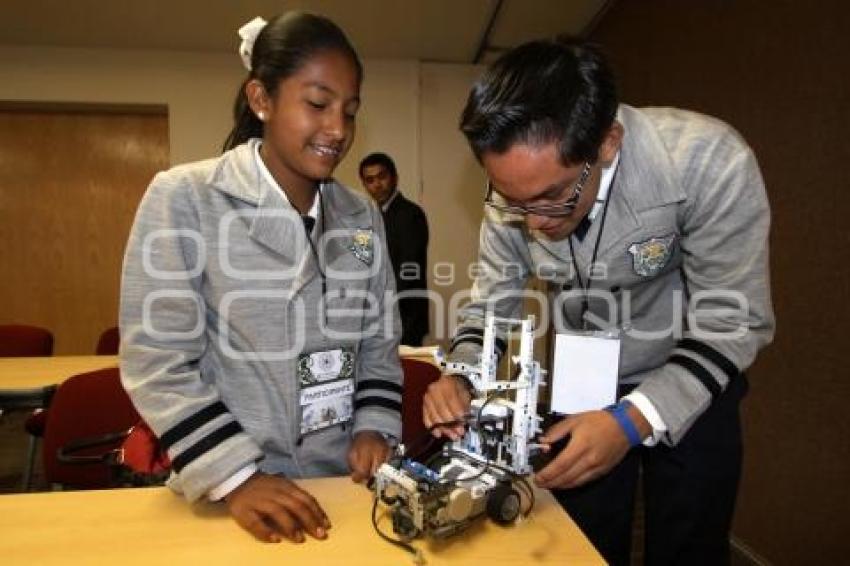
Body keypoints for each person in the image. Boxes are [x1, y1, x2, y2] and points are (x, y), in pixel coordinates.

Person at [422, 37, 774, 565]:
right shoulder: (519, 187)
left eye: (551, 196)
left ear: (607, 142)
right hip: (584, 379)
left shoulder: (707, 162)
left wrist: (632, 420)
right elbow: (494, 305)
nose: (534, 222)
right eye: (513, 202)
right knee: (578, 538)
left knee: (689, 540)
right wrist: (462, 373)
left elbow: (733, 321)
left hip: (689, 370)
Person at [119, 12, 402, 545]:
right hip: (229, 487)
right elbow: (157, 360)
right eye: (317, 104)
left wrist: (373, 425)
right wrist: (238, 478)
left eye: (350, 110)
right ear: (261, 99)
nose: (338, 129)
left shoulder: (362, 220)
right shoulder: (186, 198)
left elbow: (379, 342)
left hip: (342, 483)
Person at [358, 152, 430, 346]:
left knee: (404, 375)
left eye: (382, 176)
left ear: (394, 177)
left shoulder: (410, 214)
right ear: (364, 185)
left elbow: (409, 270)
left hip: (405, 317)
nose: (377, 184)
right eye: (370, 180)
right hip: (374, 319)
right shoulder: (364, 218)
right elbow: (360, 263)